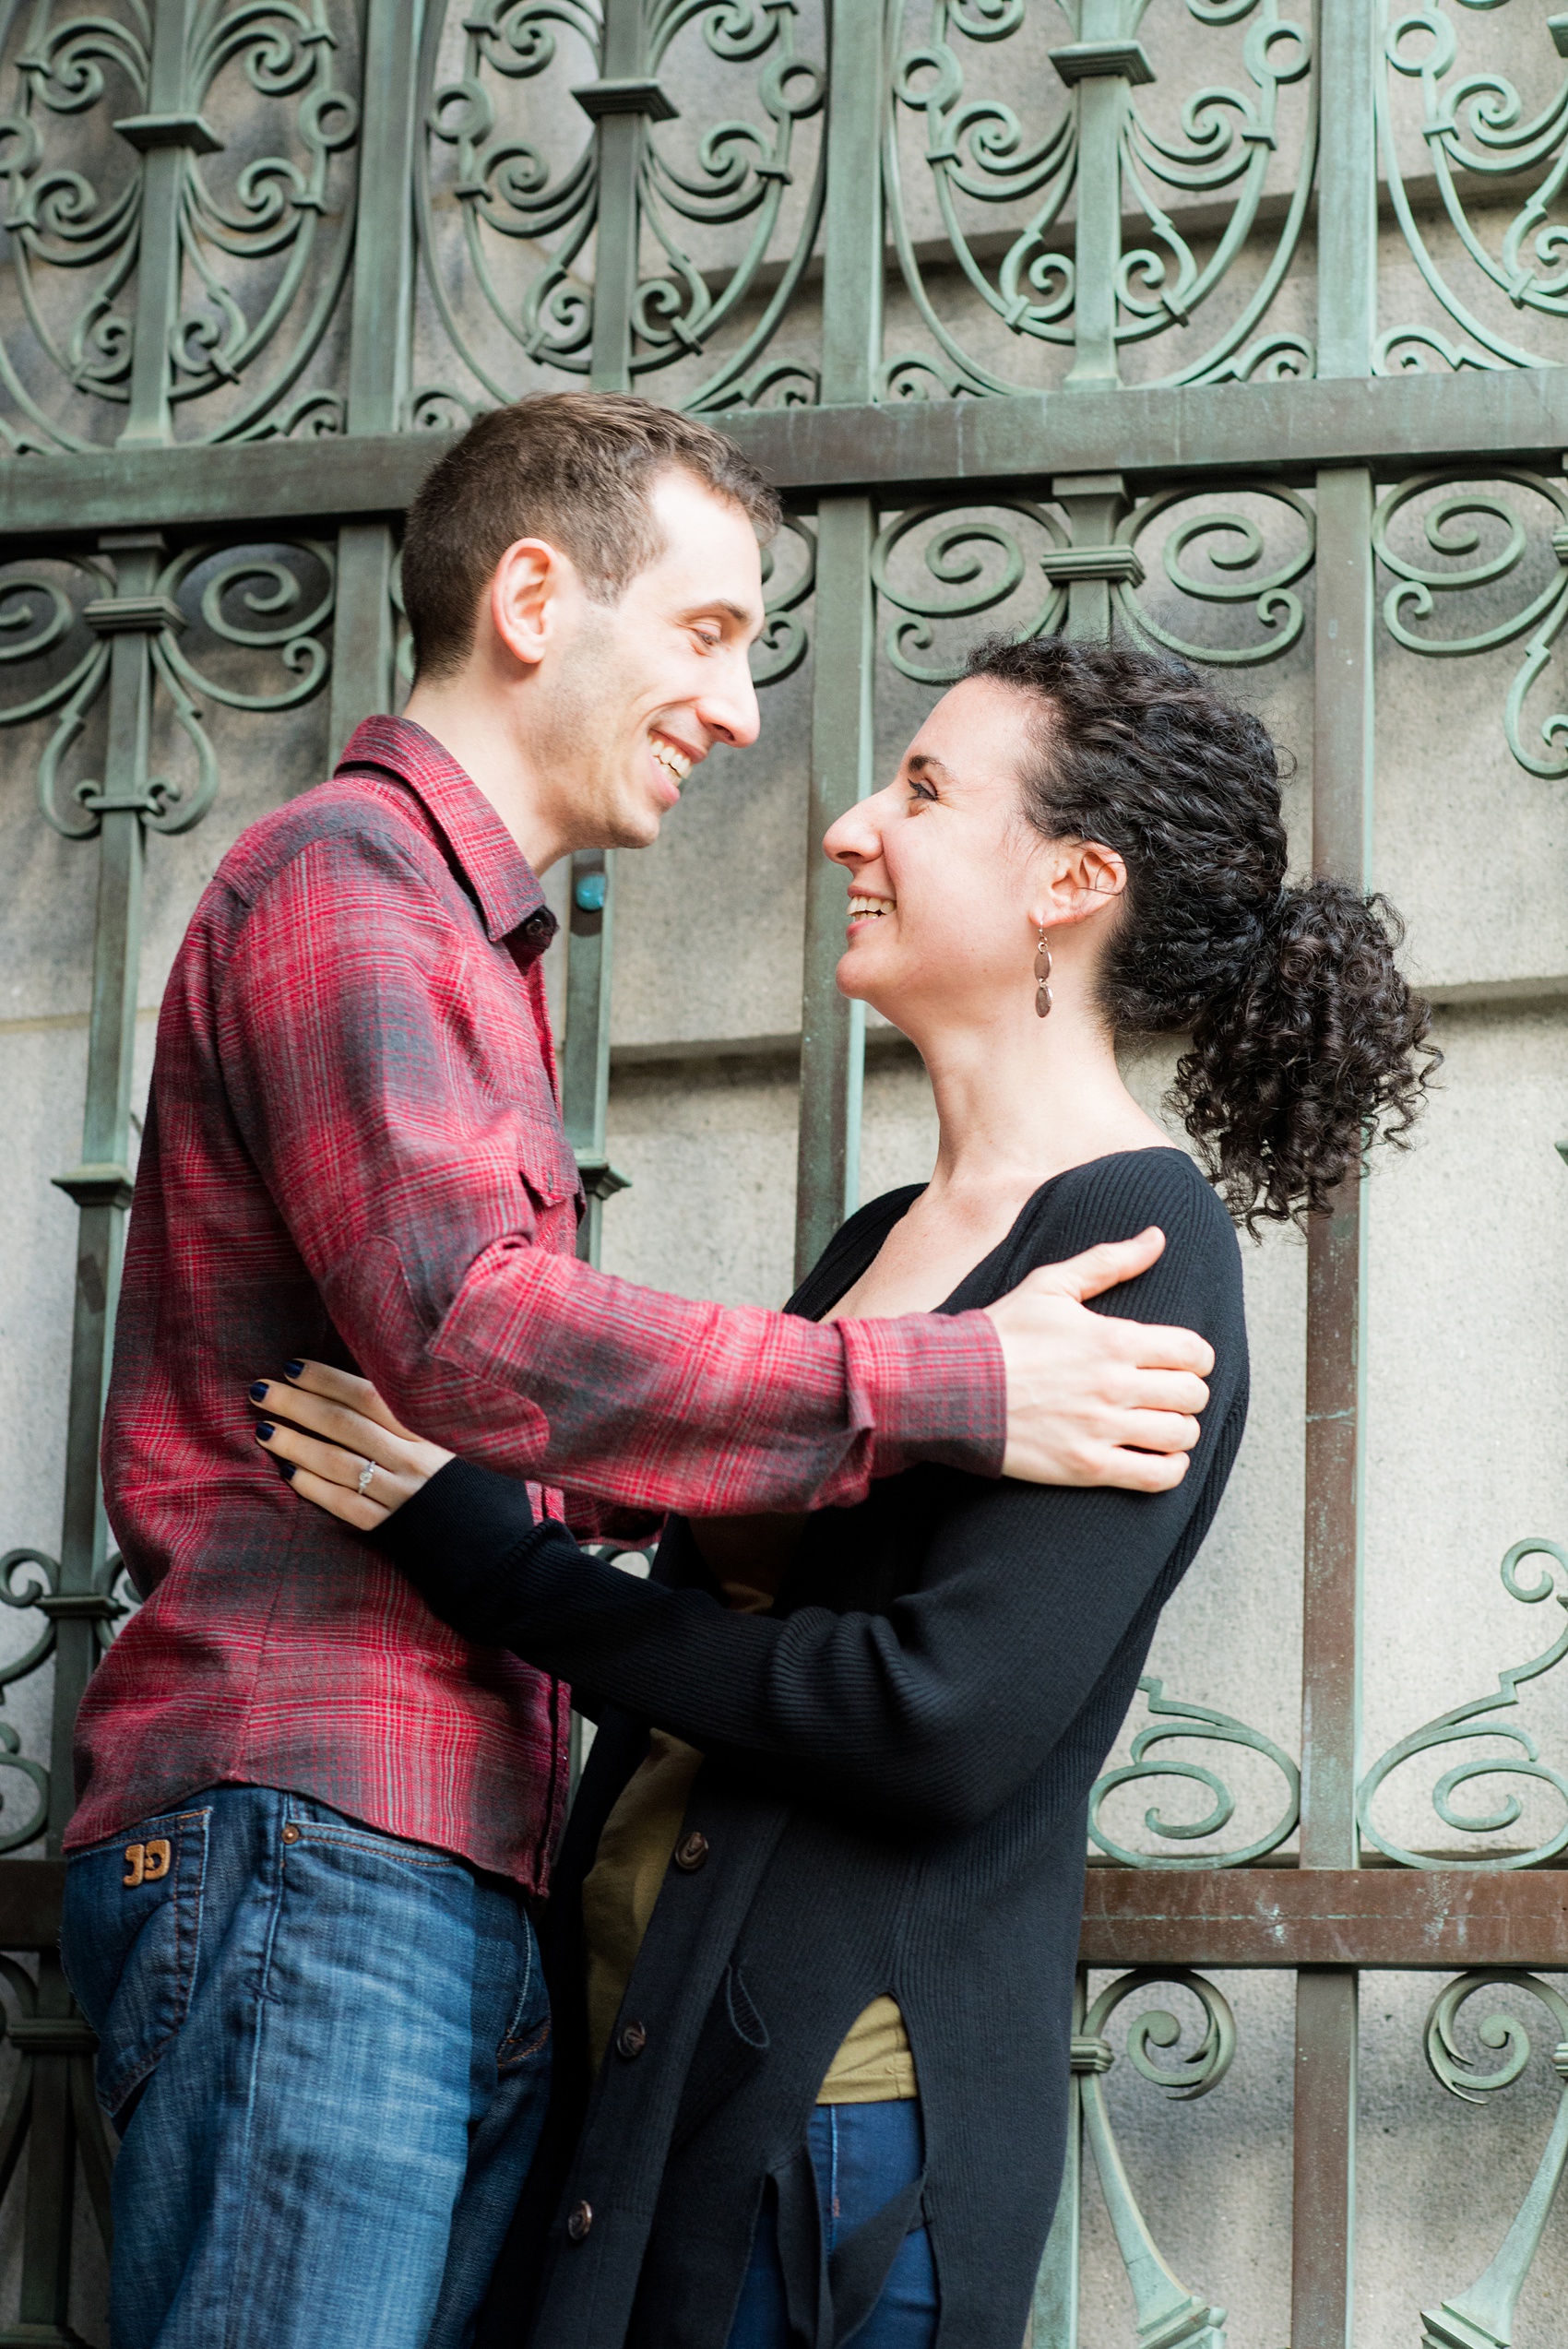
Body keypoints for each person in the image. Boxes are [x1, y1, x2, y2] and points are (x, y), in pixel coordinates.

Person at [61, 397, 1218, 2349]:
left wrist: (515, 1512)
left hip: (433, 1860)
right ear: (533, 597)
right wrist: (937, 1384)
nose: (748, 712)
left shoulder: (471, 946)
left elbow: (486, 1408)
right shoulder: (347, 886)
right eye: (709, 633)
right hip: (312, 1822)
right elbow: (470, 1328)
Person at [255, 635, 1436, 2348]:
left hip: (833, 2138)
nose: (851, 827)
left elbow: (936, 1718)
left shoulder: (1139, 1251)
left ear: (1071, 884)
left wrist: (500, 1570)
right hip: (650, 2083)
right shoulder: (880, 1243)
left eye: (927, 791)